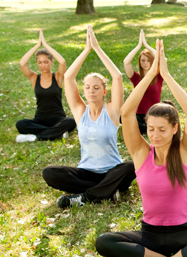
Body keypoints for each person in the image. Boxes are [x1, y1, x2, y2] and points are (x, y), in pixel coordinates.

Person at [95, 40, 187, 257]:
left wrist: (166, 75)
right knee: (104, 242)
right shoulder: (141, 153)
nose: (154, 135)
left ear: (175, 128)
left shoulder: (185, 152)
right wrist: (150, 74)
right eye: (151, 129)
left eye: (162, 129)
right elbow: (126, 112)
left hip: (183, 232)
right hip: (150, 235)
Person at [42, 25, 135, 208]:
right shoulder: (80, 111)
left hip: (112, 172)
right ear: (83, 90)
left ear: (104, 91)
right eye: (87, 87)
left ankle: (84, 197)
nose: (91, 91)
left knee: (131, 166)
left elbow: (117, 77)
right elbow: (68, 77)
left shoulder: (112, 111)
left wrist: (97, 49)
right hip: (86, 172)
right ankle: (105, 192)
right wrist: (86, 49)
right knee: (49, 173)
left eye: (96, 87)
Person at [15, 30, 77, 142]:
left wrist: (46, 45)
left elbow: (62, 62)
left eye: (46, 62)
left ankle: (37, 137)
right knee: (20, 124)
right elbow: (22, 64)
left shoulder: (58, 77)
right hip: (40, 120)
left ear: (51, 62)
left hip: (58, 119)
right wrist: (37, 45)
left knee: (71, 121)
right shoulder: (34, 78)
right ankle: (57, 132)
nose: (42, 65)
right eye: (39, 62)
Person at [122, 29, 163, 136]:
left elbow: (162, 59)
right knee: (122, 117)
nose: (145, 63)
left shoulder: (158, 76)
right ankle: (146, 129)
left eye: (148, 60)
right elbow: (126, 62)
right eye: (143, 60)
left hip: (154, 113)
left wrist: (146, 45)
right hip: (139, 115)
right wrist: (138, 46)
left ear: (153, 61)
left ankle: (147, 129)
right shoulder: (136, 77)